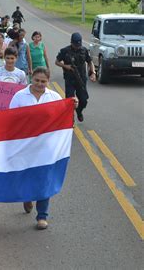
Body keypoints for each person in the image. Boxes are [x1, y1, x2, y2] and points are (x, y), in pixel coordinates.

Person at [9, 67, 70, 230]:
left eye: (43, 81)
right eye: (37, 80)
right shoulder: (19, 96)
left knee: (44, 180)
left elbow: (63, 116)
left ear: (48, 82)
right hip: (25, 146)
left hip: (46, 148)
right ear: (31, 79)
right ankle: (27, 197)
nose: (39, 84)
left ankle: (42, 215)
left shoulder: (54, 97)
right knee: (26, 177)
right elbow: (10, 119)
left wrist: (73, 105)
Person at [55, 32, 96, 122]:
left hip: (81, 78)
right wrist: (66, 66)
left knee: (84, 100)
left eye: (79, 45)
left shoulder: (84, 50)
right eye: (75, 44)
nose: (77, 46)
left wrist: (93, 73)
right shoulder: (65, 51)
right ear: (71, 42)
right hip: (69, 79)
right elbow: (57, 62)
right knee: (70, 100)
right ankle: (70, 118)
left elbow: (90, 62)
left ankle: (79, 111)